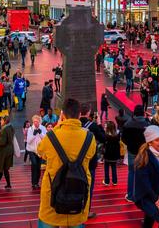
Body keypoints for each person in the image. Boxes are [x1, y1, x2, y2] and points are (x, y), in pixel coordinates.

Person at [36, 97, 95, 228]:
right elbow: (91, 155)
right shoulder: (90, 138)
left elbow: (40, 151)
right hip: (78, 196)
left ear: (62, 114)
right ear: (79, 115)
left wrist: (57, 127)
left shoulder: (52, 137)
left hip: (53, 196)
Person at [132, 125, 159, 228]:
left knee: (150, 218)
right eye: (157, 140)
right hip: (146, 195)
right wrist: (157, 200)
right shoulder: (143, 158)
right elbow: (145, 184)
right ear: (150, 142)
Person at [121, 105, 151, 201]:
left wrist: (130, 144)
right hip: (144, 152)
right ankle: (144, 194)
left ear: (134, 113)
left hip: (132, 151)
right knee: (144, 172)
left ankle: (130, 195)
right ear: (143, 113)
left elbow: (123, 138)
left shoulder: (127, 124)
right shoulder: (147, 124)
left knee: (131, 173)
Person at [0, 115, 16, 190]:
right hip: (9, 150)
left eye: (1, 120)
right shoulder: (11, 127)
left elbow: (2, 142)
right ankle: (8, 184)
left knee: (1, 168)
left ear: (5, 121)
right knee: (5, 168)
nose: (0, 122)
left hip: (4, 151)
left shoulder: (4, 129)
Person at [25, 114, 49, 191]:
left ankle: (36, 183)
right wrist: (34, 135)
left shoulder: (43, 128)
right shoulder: (30, 129)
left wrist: (40, 133)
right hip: (31, 150)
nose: (35, 123)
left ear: (39, 122)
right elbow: (28, 141)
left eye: (37, 121)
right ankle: (33, 182)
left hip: (40, 150)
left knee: (38, 167)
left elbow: (45, 139)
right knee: (34, 164)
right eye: (34, 121)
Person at [103, 121, 122, 187]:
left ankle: (107, 181)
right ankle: (115, 181)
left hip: (107, 153)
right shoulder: (118, 133)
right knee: (114, 167)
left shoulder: (106, 134)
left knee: (106, 167)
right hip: (115, 153)